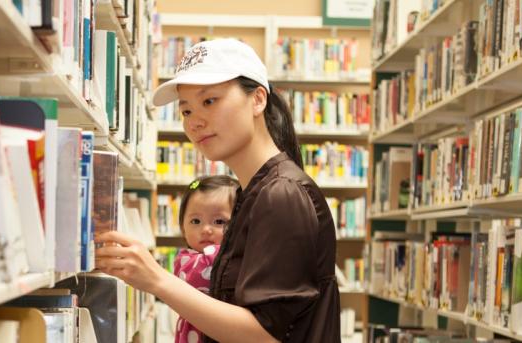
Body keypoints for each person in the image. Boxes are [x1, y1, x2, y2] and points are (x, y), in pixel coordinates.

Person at [94, 38, 340, 343]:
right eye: (186, 111)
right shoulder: (253, 192)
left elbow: (264, 335)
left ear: (258, 99)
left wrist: (157, 280)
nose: (195, 122)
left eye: (209, 101)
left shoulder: (281, 194)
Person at [173, 175, 240, 343]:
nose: (206, 229)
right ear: (182, 227)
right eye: (195, 221)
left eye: (219, 221)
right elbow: (201, 276)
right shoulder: (186, 260)